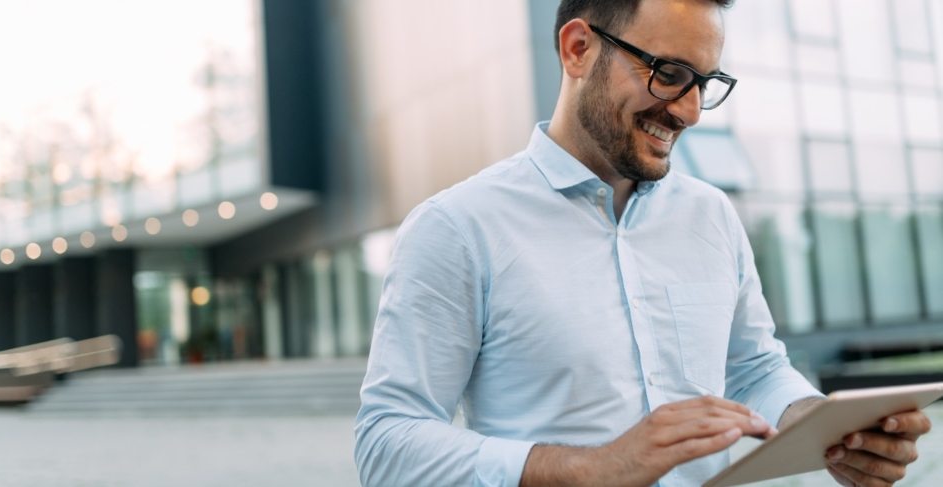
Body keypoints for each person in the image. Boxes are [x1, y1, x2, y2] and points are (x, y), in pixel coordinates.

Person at [354, 0, 933, 485]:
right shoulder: (457, 226)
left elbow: (752, 367)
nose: (689, 111)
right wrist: (592, 468)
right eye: (669, 73)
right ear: (578, 48)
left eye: (705, 83)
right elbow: (387, 442)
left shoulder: (711, 216)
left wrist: (829, 429)